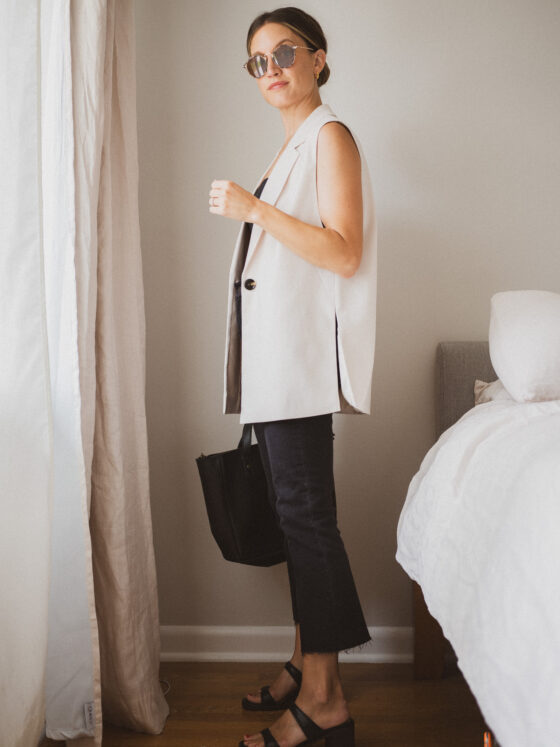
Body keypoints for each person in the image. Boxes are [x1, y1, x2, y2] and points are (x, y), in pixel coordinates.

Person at [208, 7, 377, 747]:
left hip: (299, 367)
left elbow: (344, 251)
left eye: (284, 52)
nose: (271, 68)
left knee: (307, 522)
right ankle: (306, 663)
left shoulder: (330, 136)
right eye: (258, 60)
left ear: (318, 58)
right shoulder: (296, 143)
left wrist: (253, 209)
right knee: (294, 519)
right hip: (275, 368)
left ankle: (325, 699)